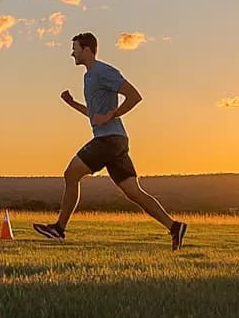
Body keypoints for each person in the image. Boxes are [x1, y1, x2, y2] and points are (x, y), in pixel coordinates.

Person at [33, 32, 188, 250]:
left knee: (71, 174)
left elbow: (134, 96)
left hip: (109, 139)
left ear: (86, 49)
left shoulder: (103, 71)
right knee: (134, 192)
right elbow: (95, 115)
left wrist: (112, 115)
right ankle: (174, 227)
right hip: (115, 140)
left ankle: (59, 228)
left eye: (75, 48)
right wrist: (73, 104)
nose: (72, 53)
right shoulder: (88, 77)